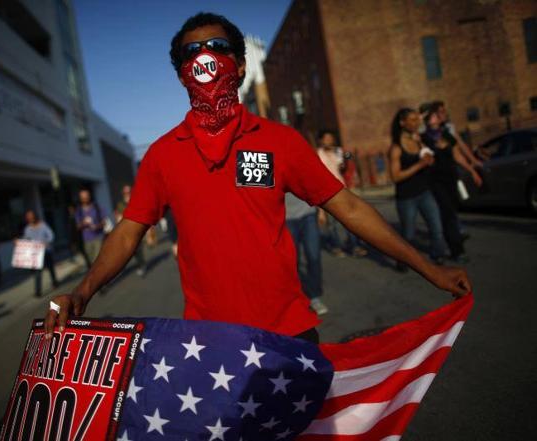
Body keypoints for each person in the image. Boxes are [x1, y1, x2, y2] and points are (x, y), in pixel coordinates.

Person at [44, 13, 471, 345]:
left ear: (241, 64)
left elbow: (351, 207)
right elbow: (128, 231)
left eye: (217, 46)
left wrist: (427, 267)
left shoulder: (280, 141)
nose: (204, 58)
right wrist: (83, 292)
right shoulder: (161, 155)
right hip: (210, 344)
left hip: (290, 333)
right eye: (192, 53)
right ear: (180, 75)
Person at [388, 108, 448, 271]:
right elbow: (395, 177)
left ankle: (437, 255)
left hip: (425, 192)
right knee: (408, 235)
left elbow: (428, 158)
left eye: (418, 119)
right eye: (412, 120)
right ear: (402, 123)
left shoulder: (419, 140)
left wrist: (429, 160)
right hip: (407, 198)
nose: (417, 123)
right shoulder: (396, 148)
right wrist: (419, 165)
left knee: (436, 227)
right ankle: (403, 260)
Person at [421, 108, 482, 263]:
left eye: (435, 115)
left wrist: (472, 171)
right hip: (435, 181)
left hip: (451, 179)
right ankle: (457, 250)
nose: (434, 117)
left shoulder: (447, 136)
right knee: (448, 213)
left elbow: (457, 156)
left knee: (451, 213)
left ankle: (443, 247)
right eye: (432, 115)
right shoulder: (422, 138)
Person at [317, 130, 368, 258]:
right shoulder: (318, 154)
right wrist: (320, 210)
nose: (329, 141)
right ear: (321, 140)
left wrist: (346, 160)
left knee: (349, 219)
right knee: (333, 222)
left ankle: (355, 246)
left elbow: (344, 169)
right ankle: (336, 246)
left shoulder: (339, 151)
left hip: (342, 189)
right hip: (326, 192)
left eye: (331, 138)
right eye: (326, 139)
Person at [285, 192, 328, 315]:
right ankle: (297, 298)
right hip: (286, 219)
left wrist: (321, 211)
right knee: (293, 261)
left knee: (314, 256)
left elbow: (314, 185)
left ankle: (315, 297)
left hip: (308, 215)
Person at [22, 210, 58, 297]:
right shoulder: (27, 229)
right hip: (36, 254)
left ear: (35, 216)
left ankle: (55, 282)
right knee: (38, 273)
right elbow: (26, 240)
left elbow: (51, 235)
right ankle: (38, 291)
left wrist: (47, 242)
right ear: (27, 219)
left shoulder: (43, 225)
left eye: (32, 216)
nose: (31, 218)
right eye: (29, 217)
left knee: (50, 268)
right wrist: (19, 242)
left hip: (46, 251)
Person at [115, 185, 147, 277]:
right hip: (126, 230)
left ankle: (142, 265)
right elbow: (118, 216)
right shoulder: (120, 204)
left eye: (129, 192)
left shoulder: (136, 201)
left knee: (139, 248)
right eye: (125, 192)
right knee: (131, 250)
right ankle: (139, 263)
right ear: (123, 193)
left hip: (137, 228)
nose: (127, 194)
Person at [74, 189, 104, 263]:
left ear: (89, 197)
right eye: (83, 197)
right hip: (86, 239)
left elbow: (104, 222)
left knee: (98, 259)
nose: (85, 198)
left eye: (86, 196)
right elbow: (77, 227)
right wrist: (83, 223)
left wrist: (97, 226)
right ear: (80, 198)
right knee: (92, 262)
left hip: (98, 237)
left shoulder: (96, 207)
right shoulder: (79, 211)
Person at [67, 204, 90, 268]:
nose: (70, 211)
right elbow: (71, 230)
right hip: (77, 238)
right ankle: (89, 264)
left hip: (83, 237)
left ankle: (90, 264)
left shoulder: (79, 216)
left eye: (71, 209)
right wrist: (72, 241)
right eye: (69, 210)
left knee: (86, 251)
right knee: (83, 252)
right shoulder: (71, 218)